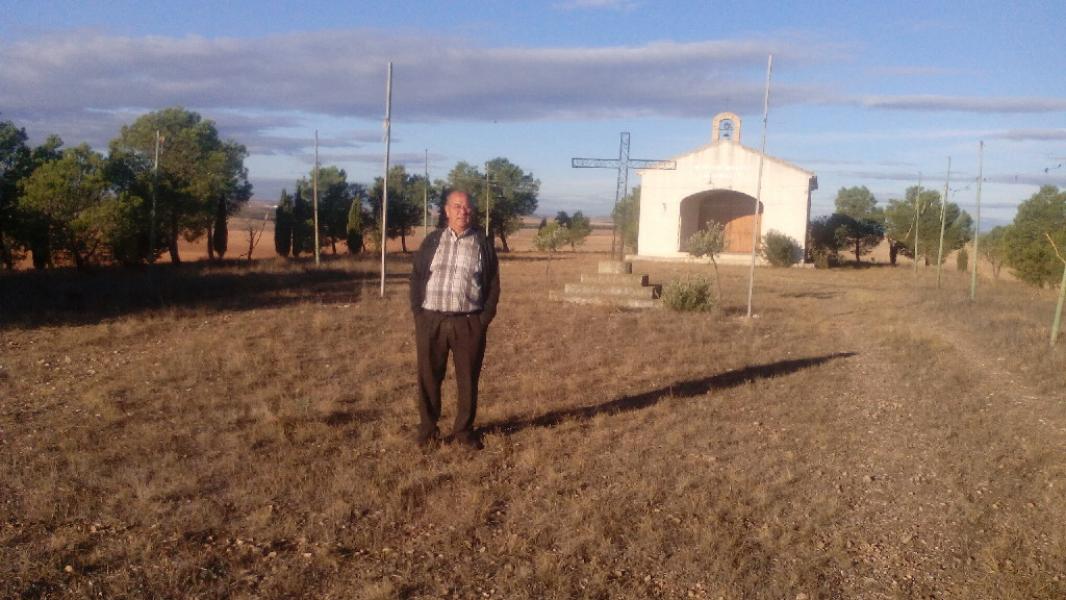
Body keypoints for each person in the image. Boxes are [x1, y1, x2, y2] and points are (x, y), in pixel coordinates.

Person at [409, 190, 500, 450]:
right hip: (431, 321)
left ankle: (463, 432)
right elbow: (416, 277)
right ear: (447, 210)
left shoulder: (482, 243)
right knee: (428, 377)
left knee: (468, 380)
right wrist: (419, 313)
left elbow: (493, 284)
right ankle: (428, 430)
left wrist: (482, 320)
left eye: (467, 207)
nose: (463, 211)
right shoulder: (432, 241)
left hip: (468, 323)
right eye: (457, 206)